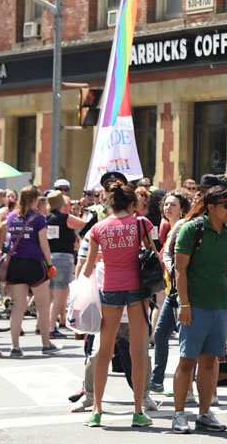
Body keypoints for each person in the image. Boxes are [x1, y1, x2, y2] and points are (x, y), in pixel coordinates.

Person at [80, 173, 152, 427]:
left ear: (109, 204)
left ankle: (97, 409)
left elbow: (88, 268)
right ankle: (138, 410)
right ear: (132, 204)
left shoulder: (98, 229)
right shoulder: (142, 224)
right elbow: (152, 255)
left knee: (104, 350)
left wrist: (77, 292)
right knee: (138, 350)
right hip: (137, 288)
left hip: (109, 288)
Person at [171, 185, 227, 434]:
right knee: (187, 361)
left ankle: (204, 413)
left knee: (210, 361)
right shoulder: (192, 229)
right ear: (210, 207)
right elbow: (180, 270)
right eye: (226, 205)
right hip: (195, 306)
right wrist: (184, 304)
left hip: (220, 307)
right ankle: (179, 414)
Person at [2, 185, 59, 357]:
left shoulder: (11, 216)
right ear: (35, 200)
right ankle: (46, 344)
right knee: (42, 306)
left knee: (18, 306)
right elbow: (44, 244)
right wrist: (49, 264)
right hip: (34, 263)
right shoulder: (39, 218)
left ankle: (15, 346)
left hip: (16, 263)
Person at [151, 190, 192, 393]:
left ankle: (187, 387)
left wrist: (172, 271)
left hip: (181, 292)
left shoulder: (183, 225)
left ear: (182, 208)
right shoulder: (168, 227)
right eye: (166, 204)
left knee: (186, 340)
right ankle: (157, 381)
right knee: (160, 335)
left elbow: (173, 259)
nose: (168, 208)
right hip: (171, 291)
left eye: (173, 204)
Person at [46, 190, 85, 337]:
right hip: (63, 258)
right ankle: (51, 327)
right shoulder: (65, 218)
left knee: (51, 295)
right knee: (60, 295)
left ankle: (46, 325)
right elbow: (83, 224)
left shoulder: (46, 218)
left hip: (49, 257)